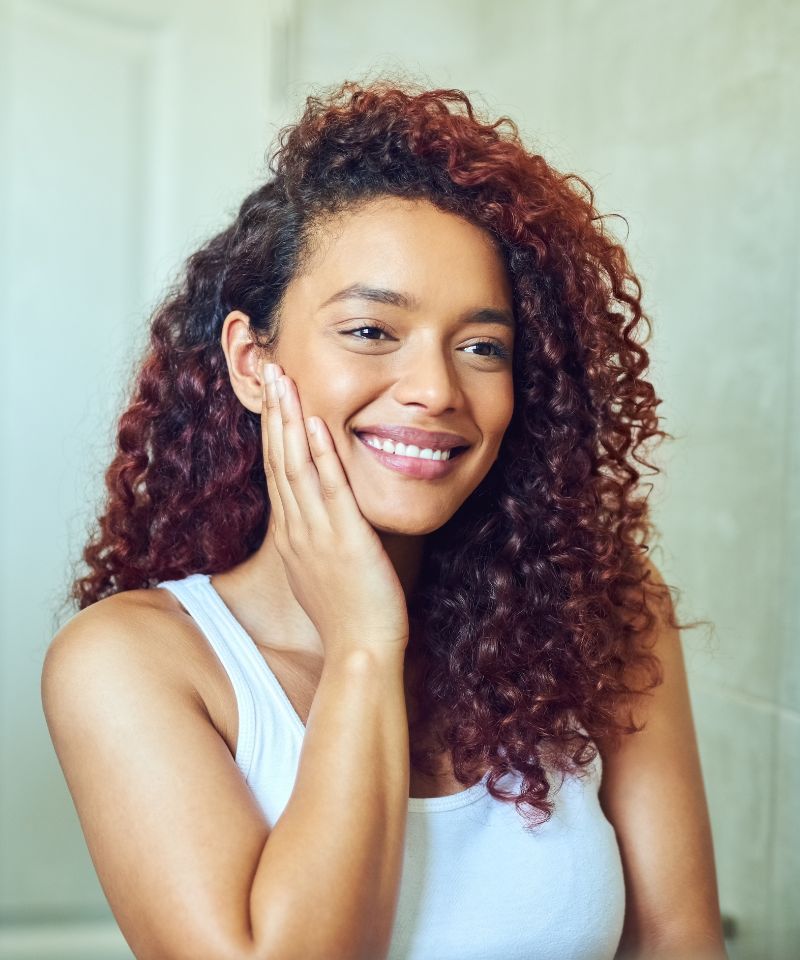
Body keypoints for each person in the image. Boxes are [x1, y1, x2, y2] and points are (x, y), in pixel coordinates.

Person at [41, 78, 727, 960]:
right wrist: (365, 641)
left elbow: (677, 940)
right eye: (371, 331)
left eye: (483, 346)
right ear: (253, 361)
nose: (437, 390)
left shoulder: (602, 616)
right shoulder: (131, 663)